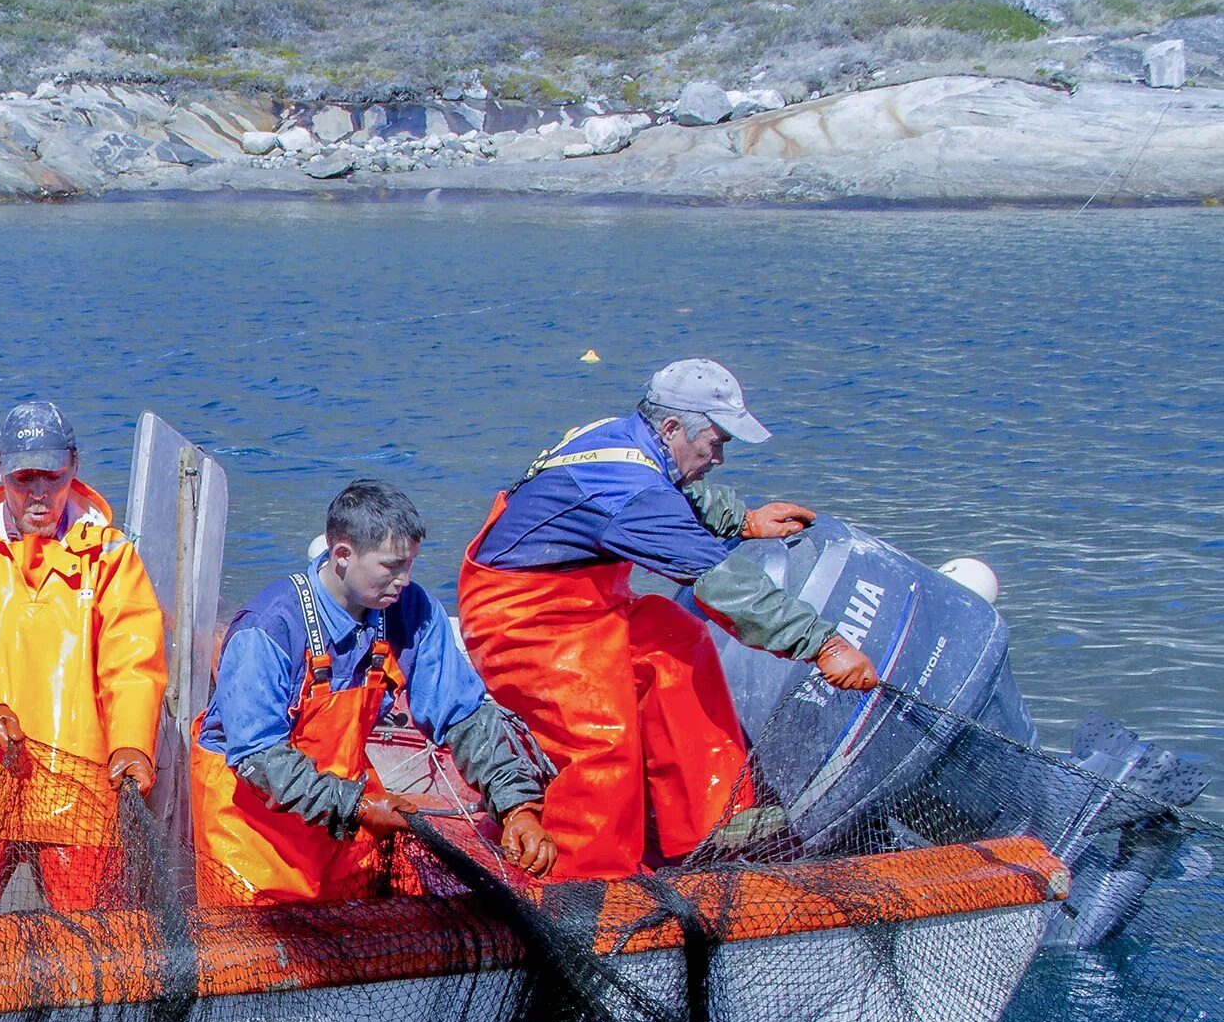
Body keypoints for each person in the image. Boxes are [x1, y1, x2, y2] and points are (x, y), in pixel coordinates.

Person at [456, 358, 878, 881]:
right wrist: (823, 645)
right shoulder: (629, 492)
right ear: (674, 427)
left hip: (581, 603)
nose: (719, 457)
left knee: (674, 637)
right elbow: (724, 584)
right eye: (716, 442)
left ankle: (711, 820)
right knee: (602, 740)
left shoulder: (625, 439)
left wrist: (740, 521)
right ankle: (585, 886)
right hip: (520, 620)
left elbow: (674, 490)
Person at [196, 481, 556, 904]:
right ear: (343, 555)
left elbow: (464, 715)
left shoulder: (410, 610)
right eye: (391, 566)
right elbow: (257, 757)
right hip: (253, 830)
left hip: (346, 819)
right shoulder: (268, 627)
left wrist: (517, 806)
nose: (404, 581)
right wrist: (359, 809)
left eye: (411, 565)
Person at [0, 400, 168, 915]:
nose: (39, 493)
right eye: (24, 478)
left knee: (96, 943)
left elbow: (133, 660)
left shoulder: (113, 557)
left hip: (81, 788)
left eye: (52, 475)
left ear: (74, 466)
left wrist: (132, 743)